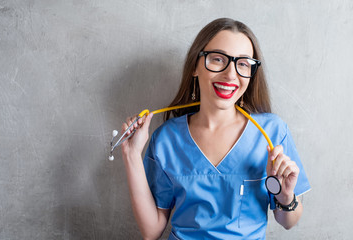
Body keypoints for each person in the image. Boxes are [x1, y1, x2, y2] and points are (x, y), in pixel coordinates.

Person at [120, 18, 311, 240]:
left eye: (242, 63)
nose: (231, 74)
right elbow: (151, 231)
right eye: (218, 59)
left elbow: (288, 222)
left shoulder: (272, 133)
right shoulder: (166, 139)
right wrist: (131, 154)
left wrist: (286, 196)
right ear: (195, 66)